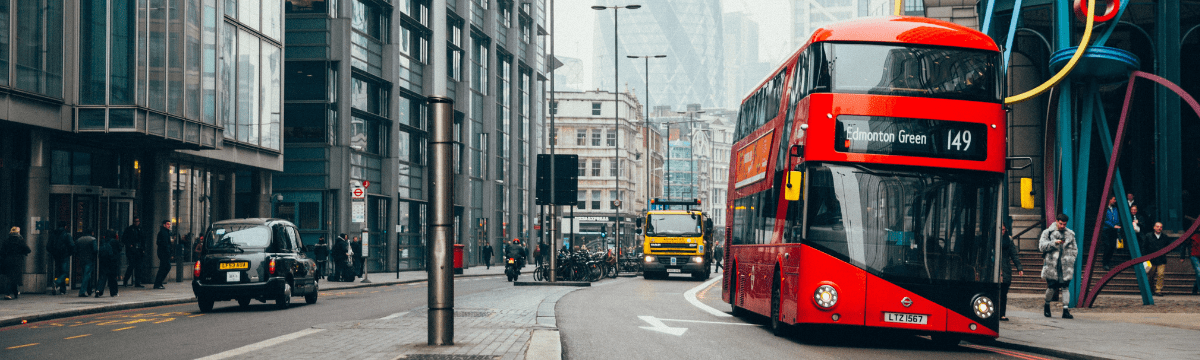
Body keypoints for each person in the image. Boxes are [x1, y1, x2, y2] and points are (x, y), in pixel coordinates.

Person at [1039, 213, 1077, 319]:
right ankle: (1047, 305)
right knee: (1051, 287)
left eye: (1064, 224)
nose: (1062, 226)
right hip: (1052, 265)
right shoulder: (1047, 232)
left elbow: (1075, 249)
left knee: (1065, 287)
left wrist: (1071, 259)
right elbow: (1041, 247)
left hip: (1065, 265)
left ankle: (1065, 310)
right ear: (1057, 221)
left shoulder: (1070, 234)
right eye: (1061, 224)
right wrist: (1054, 243)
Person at [999, 218, 1023, 321]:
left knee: (1003, 293)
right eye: (1001, 229)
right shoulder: (991, 238)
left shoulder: (1008, 240)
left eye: (1003, 229)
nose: (1002, 232)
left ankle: (1002, 314)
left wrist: (1019, 268)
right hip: (994, 269)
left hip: (1005, 269)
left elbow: (1014, 254)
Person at [1141, 222, 1174, 296]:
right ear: (1154, 227)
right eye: (1157, 226)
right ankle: (1151, 289)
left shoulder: (1165, 237)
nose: (1159, 228)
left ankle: (1158, 290)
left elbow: (1168, 247)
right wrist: (1145, 257)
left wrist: (1165, 253)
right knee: (1151, 276)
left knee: (1161, 274)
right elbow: (1144, 246)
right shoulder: (1148, 236)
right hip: (1151, 259)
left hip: (1161, 259)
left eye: (1161, 227)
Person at [1, 227, 31, 300]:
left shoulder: (6, 241)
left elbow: (1, 251)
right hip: (17, 261)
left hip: (7, 260)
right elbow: (28, 250)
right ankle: (7, 293)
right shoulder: (20, 240)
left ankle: (15, 292)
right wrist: (22, 252)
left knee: (10, 276)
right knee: (14, 277)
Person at [48, 222, 75, 294]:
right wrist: (70, 253)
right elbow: (72, 245)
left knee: (60, 272)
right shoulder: (67, 235)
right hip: (64, 256)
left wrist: (53, 253)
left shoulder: (53, 234)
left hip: (56, 256)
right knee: (65, 273)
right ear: (65, 227)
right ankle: (56, 283)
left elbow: (48, 246)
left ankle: (62, 290)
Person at [95, 230, 122, 298]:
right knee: (112, 277)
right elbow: (120, 248)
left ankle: (99, 290)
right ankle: (114, 292)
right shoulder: (115, 241)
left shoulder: (103, 241)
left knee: (102, 276)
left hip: (103, 261)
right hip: (112, 261)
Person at [122, 218, 145, 288]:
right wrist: (130, 246)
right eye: (135, 221)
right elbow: (124, 239)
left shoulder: (140, 229)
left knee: (139, 267)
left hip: (139, 250)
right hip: (131, 250)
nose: (136, 223)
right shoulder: (129, 229)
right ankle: (125, 280)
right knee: (131, 266)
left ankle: (137, 282)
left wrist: (143, 249)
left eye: (137, 221)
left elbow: (143, 239)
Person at [76, 229, 99, 297]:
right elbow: (95, 250)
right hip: (89, 259)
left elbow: (76, 249)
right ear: (91, 232)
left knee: (86, 274)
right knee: (87, 275)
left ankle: (89, 290)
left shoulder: (79, 240)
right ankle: (82, 291)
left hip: (81, 259)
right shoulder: (92, 239)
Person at [1101, 196, 1121, 270]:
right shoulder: (1104, 208)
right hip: (1107, 230)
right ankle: (1105, 262)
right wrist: (1113, 226)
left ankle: (1107, 262)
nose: (1115, 201)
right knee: (1108, 246)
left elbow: (1117, 219)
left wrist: (1118, 228)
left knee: (1112, 247)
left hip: (1114, 230)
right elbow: (1104, 219)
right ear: (1109, 200)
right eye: (1114, 199)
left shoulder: (1115, 209)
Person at [153, 220, 174, 289]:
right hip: (164, 253)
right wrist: (169, 254)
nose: (169, 225)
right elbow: (165, 245)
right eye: (167, 224)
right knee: (165, 267)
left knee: (164, 268)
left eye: (169, 224)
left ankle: (158, 283)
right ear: (164, 225)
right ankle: (157, 283)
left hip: (164, 253)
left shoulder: (166, 232)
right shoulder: (163, 233)